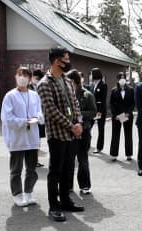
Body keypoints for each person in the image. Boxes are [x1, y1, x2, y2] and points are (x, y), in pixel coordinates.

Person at [37, 46, 84, 222]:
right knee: (55, 171)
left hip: (72, 134)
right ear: (57, 60)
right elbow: (51, 111)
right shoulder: (44, 84)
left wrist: (78, 121)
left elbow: (75, 103)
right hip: (57, 135)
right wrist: (71, 125)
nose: (68, 62)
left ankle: (66, 201)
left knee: (68, 170)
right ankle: (54, 206)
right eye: (66, 59)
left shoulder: (66, 79)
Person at [1, 67, 44, 207]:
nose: (22, 78)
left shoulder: (34, 95)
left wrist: (37, 118)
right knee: (16, 169)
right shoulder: (10, 96)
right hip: (17, 138)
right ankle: (17, 194)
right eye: (20, 75)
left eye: (25, 75)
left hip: (32, 137)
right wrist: (22, 121)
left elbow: (40, 113)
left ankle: (28, 192)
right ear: (15, 77)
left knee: (31, 168)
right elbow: (6, 118)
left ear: (30, 79)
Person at [67, 69, 97, 195]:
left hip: (83, 131)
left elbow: (93, 112)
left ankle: (85, 185)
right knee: (68, 160)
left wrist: (78, 114)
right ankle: (67, 186)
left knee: (82, 159)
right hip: (68, 131)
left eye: (67, 81)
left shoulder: (87, 95)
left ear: (73, 81)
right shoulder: (66, 94)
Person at [109, 72, 135, 161]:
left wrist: (128, 112)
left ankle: (129, 154)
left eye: (124, 77)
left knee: (128, 135)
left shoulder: (131, 90)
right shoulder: (114, 90)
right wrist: (114, 115)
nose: (122, 79)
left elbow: (133, 103)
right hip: (117, 116)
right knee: (115, 135)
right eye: (120, 78)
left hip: (127, 116)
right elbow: (111, 104)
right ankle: (113, 154)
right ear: (117, 80)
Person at [29, 69, 45, 168]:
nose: (38, 80)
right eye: (37, 78)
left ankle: (36, 160)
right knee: (31, 140)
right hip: (31, 117)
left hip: (40, 117)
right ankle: (31, 161)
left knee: (37, 140)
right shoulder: (28, 87)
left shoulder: (41, 87)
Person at [90, 68, 107, 154]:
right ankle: (87, 144)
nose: (90, 75)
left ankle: (99, 147)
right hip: (92, 110)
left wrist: (100, 111)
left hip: (100, 111)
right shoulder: (92, 84)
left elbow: (103, 100)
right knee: (88, 127)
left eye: (91, 73)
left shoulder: (103, 85)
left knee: (101, 129)